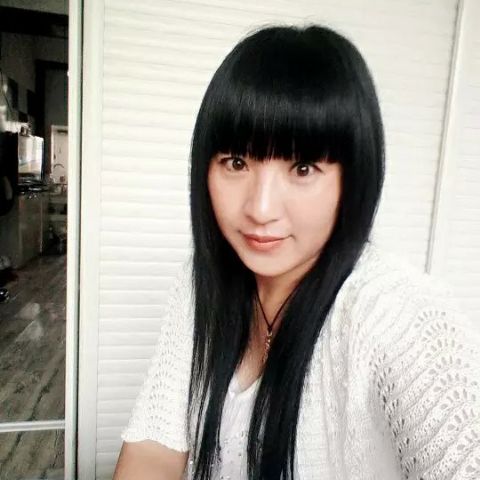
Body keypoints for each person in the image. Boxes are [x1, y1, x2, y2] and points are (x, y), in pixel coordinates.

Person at [113, 24, 480, 480]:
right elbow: (154, 447)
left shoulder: (397, 315)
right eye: (236, 162)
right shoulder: (200, 282)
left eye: (303, 168)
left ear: (353, 178)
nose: (260, 209)